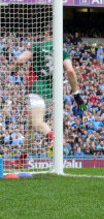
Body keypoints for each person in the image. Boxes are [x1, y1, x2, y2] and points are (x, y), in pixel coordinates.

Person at [10, 37, 84, 168]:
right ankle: (21, 160)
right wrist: (76, 94)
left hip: (37, 88)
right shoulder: (62, 52)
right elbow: (70, 71)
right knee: (30, 127)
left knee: (37, 122)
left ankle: (53, 139)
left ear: (45, 33)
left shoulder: (36, 46)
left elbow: (20, 60)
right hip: (53, 91)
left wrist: (14, 70)